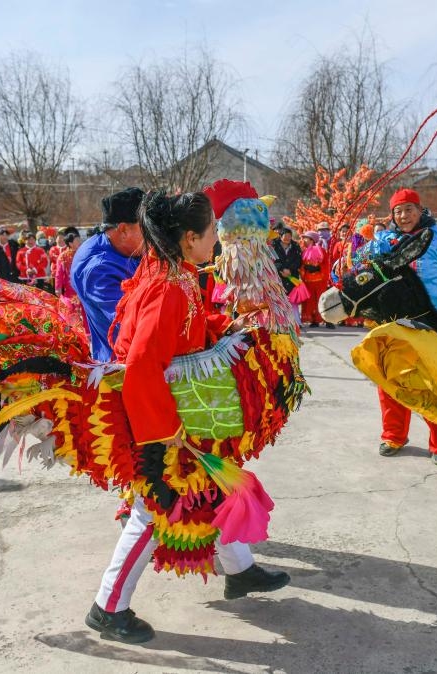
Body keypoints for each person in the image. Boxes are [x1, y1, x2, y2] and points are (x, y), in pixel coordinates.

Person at [87, 191, 289, 644]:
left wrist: (225, 328)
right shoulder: (167, 286)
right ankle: (108, 606)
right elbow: (142, 365)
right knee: (154, 512)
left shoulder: (174, 274)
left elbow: (186, 333)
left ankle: (240, 570)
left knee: (217, 487)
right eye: (213, 231)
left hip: (169, 407)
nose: (217, 238)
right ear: (189, 238)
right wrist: (164, 436)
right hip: (155, 419)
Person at [374, 188, 437, 464]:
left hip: (433, 323)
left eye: (409, 209)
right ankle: (393, 435)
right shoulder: (386, 240)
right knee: (390, 380)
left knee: (435, 385)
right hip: (394, 323)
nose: (404, 215)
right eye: (398, 210)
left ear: (420, 210)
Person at [71, 187, 145, 362]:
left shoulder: (125, 249)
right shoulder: (98, 268)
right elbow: (130, 324)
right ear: (124, 229)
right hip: (120, 366)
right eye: (147, 227)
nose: (154, 234)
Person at [299, 230, 330, 327]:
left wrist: (318, 268)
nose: (304, 240)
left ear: (311, 240)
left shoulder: (320, 250)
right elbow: (301, 265)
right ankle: (313, 320)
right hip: (308, 280)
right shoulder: (303, 251)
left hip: (319, 280)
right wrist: (304, 269)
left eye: (306, 238)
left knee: (321, 299)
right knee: (310, 300)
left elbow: (326, 264)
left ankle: (326, 319)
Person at [53, 231, 81, 299]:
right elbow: (59, 273)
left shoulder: (83, 254)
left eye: (79, 240)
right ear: (70, 243)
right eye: (77, 240)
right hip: (70, 288)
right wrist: (58, 287)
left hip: (83, 287)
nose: (79, 242)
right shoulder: (63, 256)